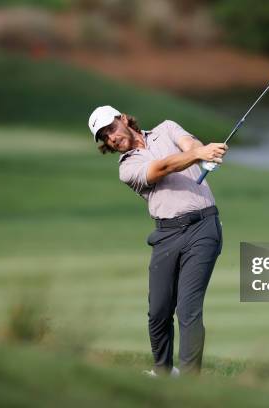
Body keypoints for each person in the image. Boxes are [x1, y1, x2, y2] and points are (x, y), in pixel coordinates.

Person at [89, 105, 226, 376]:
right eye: (105, 136)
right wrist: (198, 154)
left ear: (123, 119)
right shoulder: (127, 168)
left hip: (204, 228)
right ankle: (163, 372)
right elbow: (162, 167)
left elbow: (190, 143)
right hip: (167, 234)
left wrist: (203, 153)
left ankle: (189, 381)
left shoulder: (166, 128)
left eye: (111, 128)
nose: (111, 137)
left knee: (189, 309)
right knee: (159, 311)